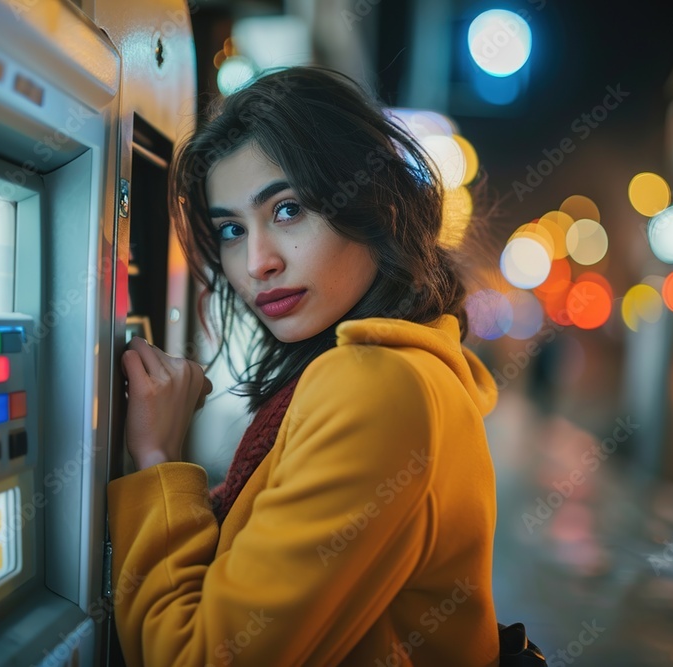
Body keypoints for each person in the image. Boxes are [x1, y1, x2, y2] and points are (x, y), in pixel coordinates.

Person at [107, 66, 500, 666]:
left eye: (288, 210)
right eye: (232, 229)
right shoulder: (410, 368)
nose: (257, 262)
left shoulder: (376, 385)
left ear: (378, 205)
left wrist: (158, 460)